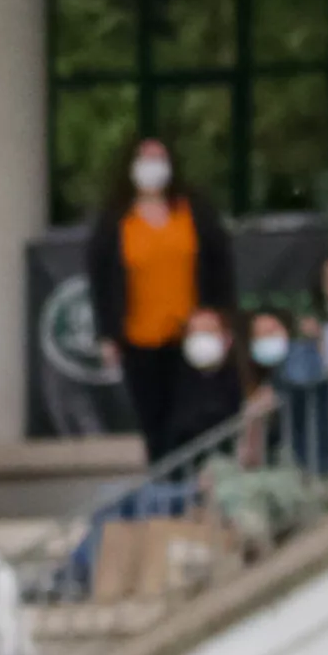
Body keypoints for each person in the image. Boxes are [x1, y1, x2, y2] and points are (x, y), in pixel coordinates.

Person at [87, 137, 227, 450]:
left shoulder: (194, 210)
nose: (153, 167)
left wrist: (218, 315)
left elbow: (219, 264)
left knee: (192, 419)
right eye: (145, 159)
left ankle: (193, 485)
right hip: (139, 339)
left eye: (159, 158)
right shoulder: (115, 220)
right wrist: (108, 334)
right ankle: (165, 488)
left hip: (193, 338)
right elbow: (100, 278)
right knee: (154, 423)